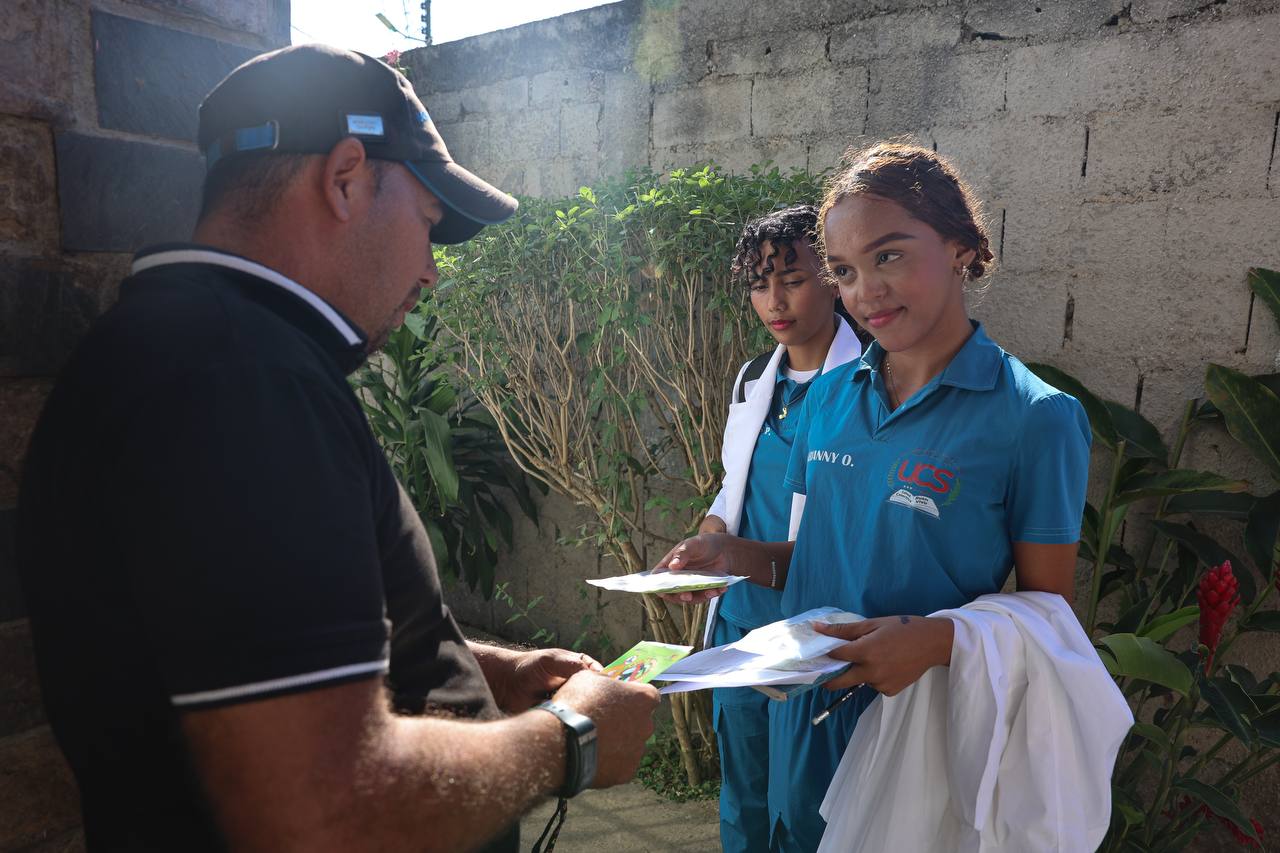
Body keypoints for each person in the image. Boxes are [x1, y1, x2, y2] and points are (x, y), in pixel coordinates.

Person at [17, 44, 658, 852]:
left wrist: (486, 667)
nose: (431, 272)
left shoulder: (188, 347)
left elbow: (246, 645)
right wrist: (572, 739)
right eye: (428, 224)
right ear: (346, 176)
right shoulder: (243, 382)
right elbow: (325, 806)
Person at [657, 142, 1091, 852]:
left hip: (915, 741)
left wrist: (936, 640)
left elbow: (1051, 617)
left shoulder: (1034, 418)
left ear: (960, 246)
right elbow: (818, 556)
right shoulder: (828, 398)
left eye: (889, 256)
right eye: (846, 271)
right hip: (805, 723)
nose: (867, 292)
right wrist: (731, 554)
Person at [687, 206, 860, 853]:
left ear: (834, 278)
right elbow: (733, 490)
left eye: (792, 277)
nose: (774, 299)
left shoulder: (864, 387)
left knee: (804, 809)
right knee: (744, 797)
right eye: (760, 283)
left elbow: (846, 535)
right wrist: (702, 544)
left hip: (806, 631)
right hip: (738, 625)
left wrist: (730, 549)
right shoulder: (754, 379)